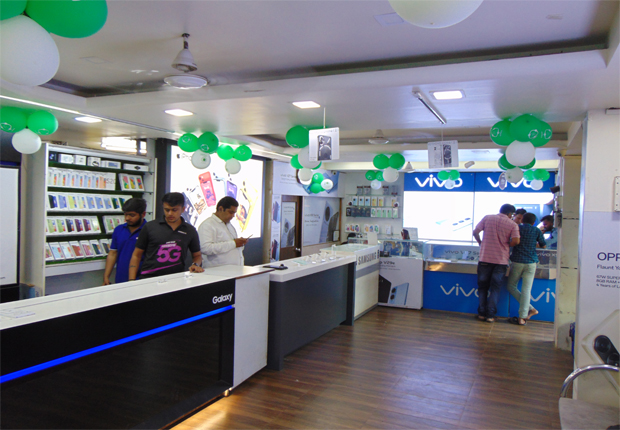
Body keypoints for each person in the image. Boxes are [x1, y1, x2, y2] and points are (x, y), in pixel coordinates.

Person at [128, 192, 204, 280]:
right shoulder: (150, 227)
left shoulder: (190, 230)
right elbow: (136, 255)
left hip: (176, 279)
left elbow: (197, 255)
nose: (170, 213)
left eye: (174, 210)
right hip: (149, 278)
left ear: (183, 209)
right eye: (167, 210)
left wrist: (195, 264)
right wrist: (132, 280)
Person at [473, 204, 520, 322]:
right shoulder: (512, 224)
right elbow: (516, 241)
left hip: (484, 259)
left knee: (482, 287)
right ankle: (490, 316)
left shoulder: (487, 218)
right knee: (495, 288)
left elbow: (475, 232)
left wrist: (480, 242)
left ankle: (481, 314)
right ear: (510, 214)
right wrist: (506, 245)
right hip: (501, 261)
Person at [506, 212, 546, 326]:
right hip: (531, 262)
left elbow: (511, 241)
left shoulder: (516, 228)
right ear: (533, 223)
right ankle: (522, 317)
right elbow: (543, 245)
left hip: (517, 261)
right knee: (526, 290)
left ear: (522, 220)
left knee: (511, 286)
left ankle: (531, 309)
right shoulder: (536, 230)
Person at [103, 198, 147, 285]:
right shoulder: (119, 230)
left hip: (142, 279)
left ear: (143, 214)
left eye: (132, 215)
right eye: (125, 214)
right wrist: (106, 277)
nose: (127, 218)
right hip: (121, 279)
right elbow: (113, 254)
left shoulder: (149, 230)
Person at [198, 196, 248, 268]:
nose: (233, 216)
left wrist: (240, 243)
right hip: (217, 272)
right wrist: (234, 243)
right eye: (231, 212)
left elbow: (231, 246)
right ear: (220, 209)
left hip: (235, 270)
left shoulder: (229, 225)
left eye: (234, 213)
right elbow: (205, 249)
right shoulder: (207, 225)